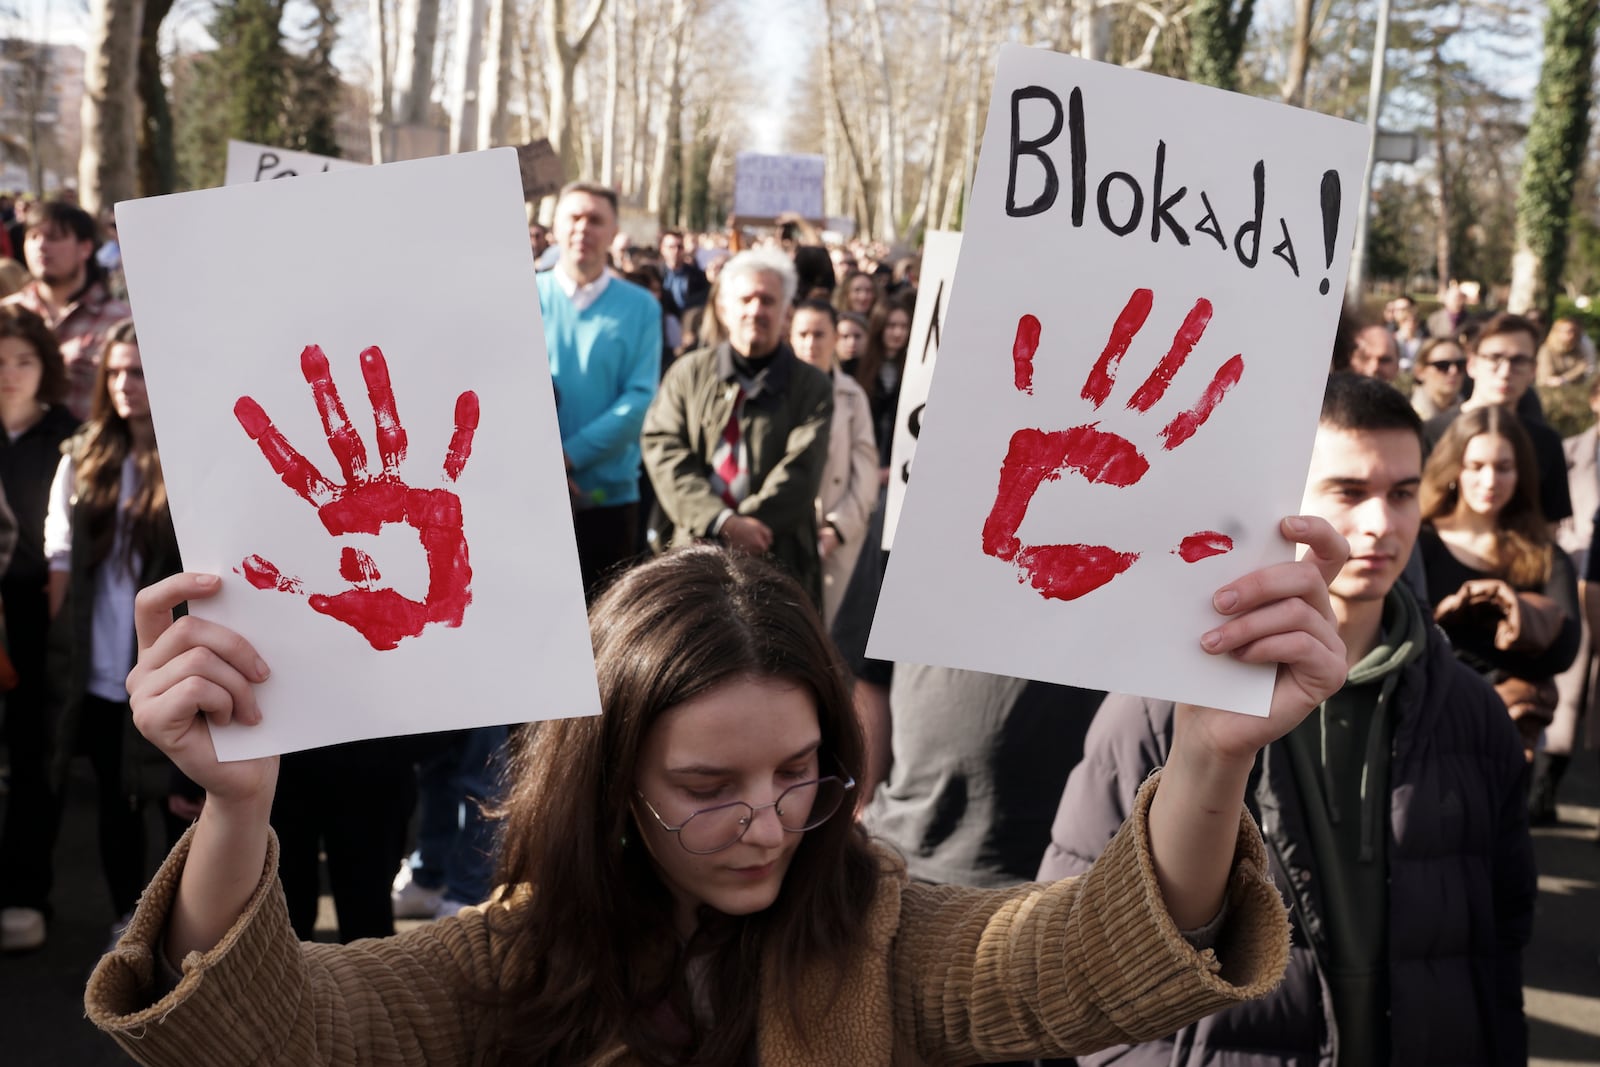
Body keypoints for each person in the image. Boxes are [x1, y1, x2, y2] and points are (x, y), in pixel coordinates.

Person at [89, 520, 1349, 1063]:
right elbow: (258, 1032)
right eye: (704, 783)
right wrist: (243, 808)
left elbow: (1092, 958)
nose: (764, 824)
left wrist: (1211, 754)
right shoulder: (503, 966)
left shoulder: (886, 940)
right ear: (607, 781)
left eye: (801, 774)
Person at [1041, 373, 1537, 1067]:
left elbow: (1502, 938)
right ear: (1286, 501)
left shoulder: (1471, 713)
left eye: (1401, 493)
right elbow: (1065, 946)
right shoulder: (1163, 703)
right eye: (1348, 492)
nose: (1380, 524)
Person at [42, 319, 189, 941]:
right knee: (114, 799)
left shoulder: (188, 458)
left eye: (142, 372)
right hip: (101, 663)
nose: (129, 385)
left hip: (170, 658)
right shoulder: (83, 454)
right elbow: (58, 557)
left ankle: (190, 927)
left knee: (180, 800)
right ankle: (129, 919)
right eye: (119, 372)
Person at [642, 247, 834, 605]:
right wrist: (719, 521)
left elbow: (803, 467)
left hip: (779, 555)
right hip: (695, 549)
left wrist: (748, 529)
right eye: (746, 299)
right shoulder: (688, 372)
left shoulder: (812, 386)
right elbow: (662, 446)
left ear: (786, 312)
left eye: (767, 300)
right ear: (724, 308)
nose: (756, 310)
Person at [1419, 404, 1581, 759]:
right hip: (1421, 733)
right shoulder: (1418, 543)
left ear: (1521, 474)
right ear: (1453, 468)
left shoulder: (1545, 556)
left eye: (1504, 467)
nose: (1490, 481)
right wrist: (1511, 640)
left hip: (1503, 740)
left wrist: (1455, 631)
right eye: (1476, 466)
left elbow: (1563, 651)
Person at [536, 182, 662, 596]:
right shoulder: (525, 295)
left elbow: (639, 399)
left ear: (613, 232)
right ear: (555, 227)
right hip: (529, 492)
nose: (582, 229)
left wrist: (567, 457)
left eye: (595, 220)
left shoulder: (641, 307)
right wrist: (540, 458)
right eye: (574, 217)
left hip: (607, 497)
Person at [0, 304, 79, 951]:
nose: (9, 373)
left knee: (35, 752)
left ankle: (27, 892)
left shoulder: (69, 435)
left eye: (23, 359)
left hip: (40, 611)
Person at [1423, 313, 1572, 528]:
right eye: (1494, 358)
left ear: (1533, 371)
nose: (1505, 372)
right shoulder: (1431, 433)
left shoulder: (1546, 442)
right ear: (1472, 364)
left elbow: (1549, 526)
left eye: (1518, 360)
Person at [787, 299, 877, 626]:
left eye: (819, 334)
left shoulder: (852, 396)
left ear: (834, 338)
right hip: (784, 538)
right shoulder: (776, 393)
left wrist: (839, 528)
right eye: (803, 334)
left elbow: (865, 471)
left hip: (834, 537)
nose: (811, 344)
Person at [2, 200, 131, 420]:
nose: (41, 246)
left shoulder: (120, 322)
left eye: (54, 238)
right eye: (33, 237)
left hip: (91, 448)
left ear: (86, 248)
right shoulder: (7, 314)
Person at [858, 296, 913, 484]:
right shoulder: (858, 366)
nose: (898, 332)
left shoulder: (913, 368)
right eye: (891, 325)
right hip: (863, 463)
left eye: (904, 326)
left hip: (897, 465)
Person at [1408, 336, 1466, 421]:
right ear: (1420, 372)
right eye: (1442, 365)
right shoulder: (1405, 417)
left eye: (1460, 365)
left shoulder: (1473, 415)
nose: (1453, 371)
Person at [1535, 314, 1595, 388]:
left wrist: (1563, 379)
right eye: (1568, 332)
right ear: (1557, 332)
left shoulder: (1578, 348)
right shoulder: (1546, 350)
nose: (1572, 335)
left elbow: (1583, 367)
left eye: (1574, 332)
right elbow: (1546, 377)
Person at [658, 228, 709, 315]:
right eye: (671, 247)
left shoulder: (697, 275)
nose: (676, 251)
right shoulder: (656, 274)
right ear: (662, 249)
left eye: (680, 247)